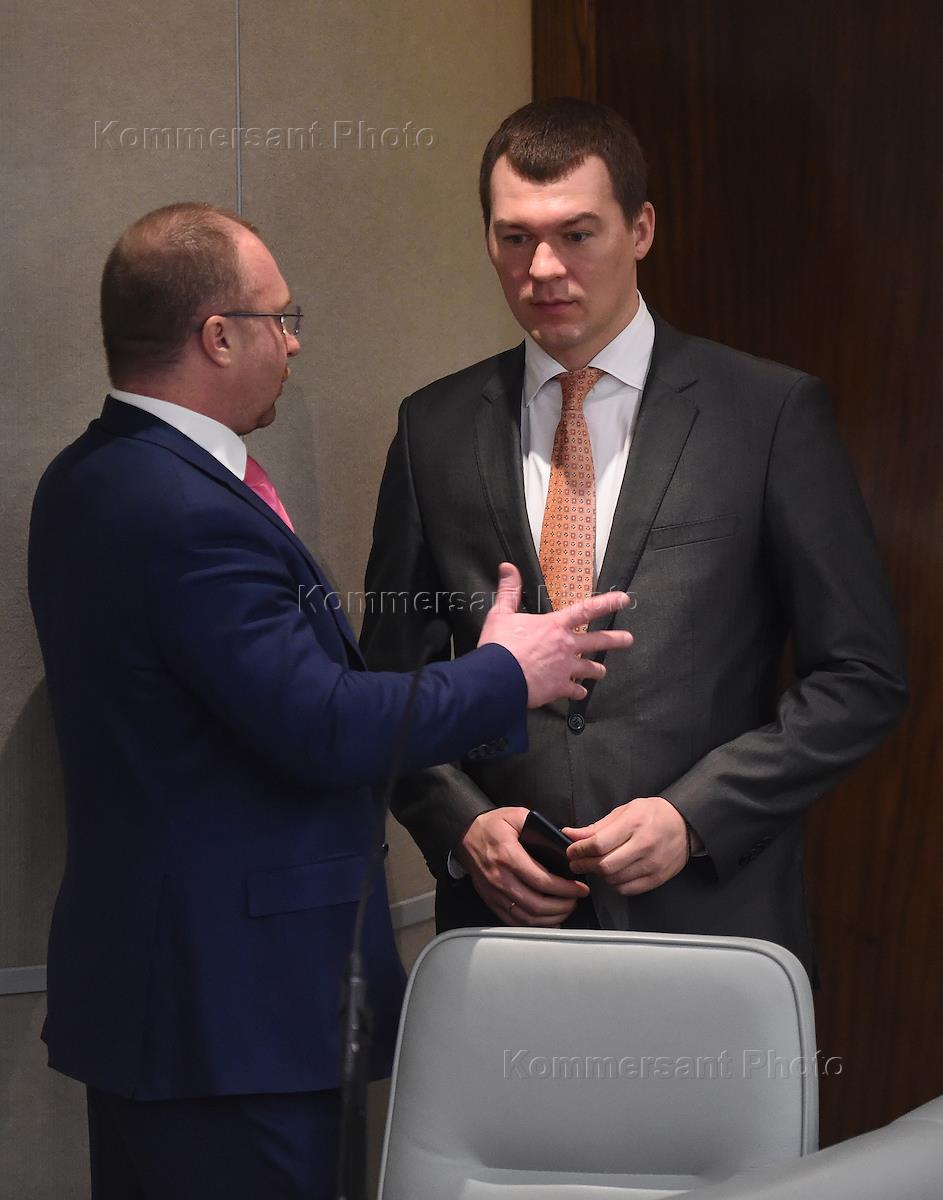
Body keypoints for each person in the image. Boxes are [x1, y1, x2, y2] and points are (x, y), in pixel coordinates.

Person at [27, 201, 633, 1199]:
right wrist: (505, 672)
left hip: (179, 1005)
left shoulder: (97, 474)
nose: (296, 341)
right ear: (218, 336)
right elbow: (316, 724)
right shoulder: (178, 507)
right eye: (281, 317)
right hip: (231, 1016)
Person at [361, 98, 908, 971]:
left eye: (576, 234)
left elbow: (861, 675)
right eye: (514, 238)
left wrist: (696, 816)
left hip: (710, 926)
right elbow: (390, 679)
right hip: (504, 934)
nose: (543, 268)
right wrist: (462, 825)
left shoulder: (767, 412)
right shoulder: (433, 427)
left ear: (640, 228)